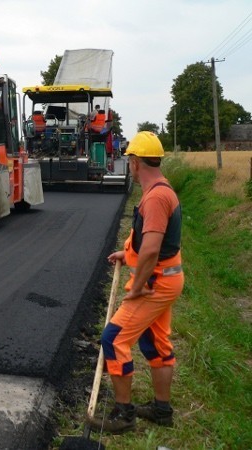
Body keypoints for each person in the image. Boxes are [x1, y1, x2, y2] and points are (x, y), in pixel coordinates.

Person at [89, 131, 184, 433]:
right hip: (168, 278)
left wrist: (140, 286)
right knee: (155, 343)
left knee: (114, 340)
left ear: (134, 161)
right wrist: (127, 253)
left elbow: (153, 248)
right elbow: (145, 242)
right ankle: (161, 410)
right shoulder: (160, 189)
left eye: (129, 158)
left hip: (155, 283)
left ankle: (124, 414)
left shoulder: (155, 197)